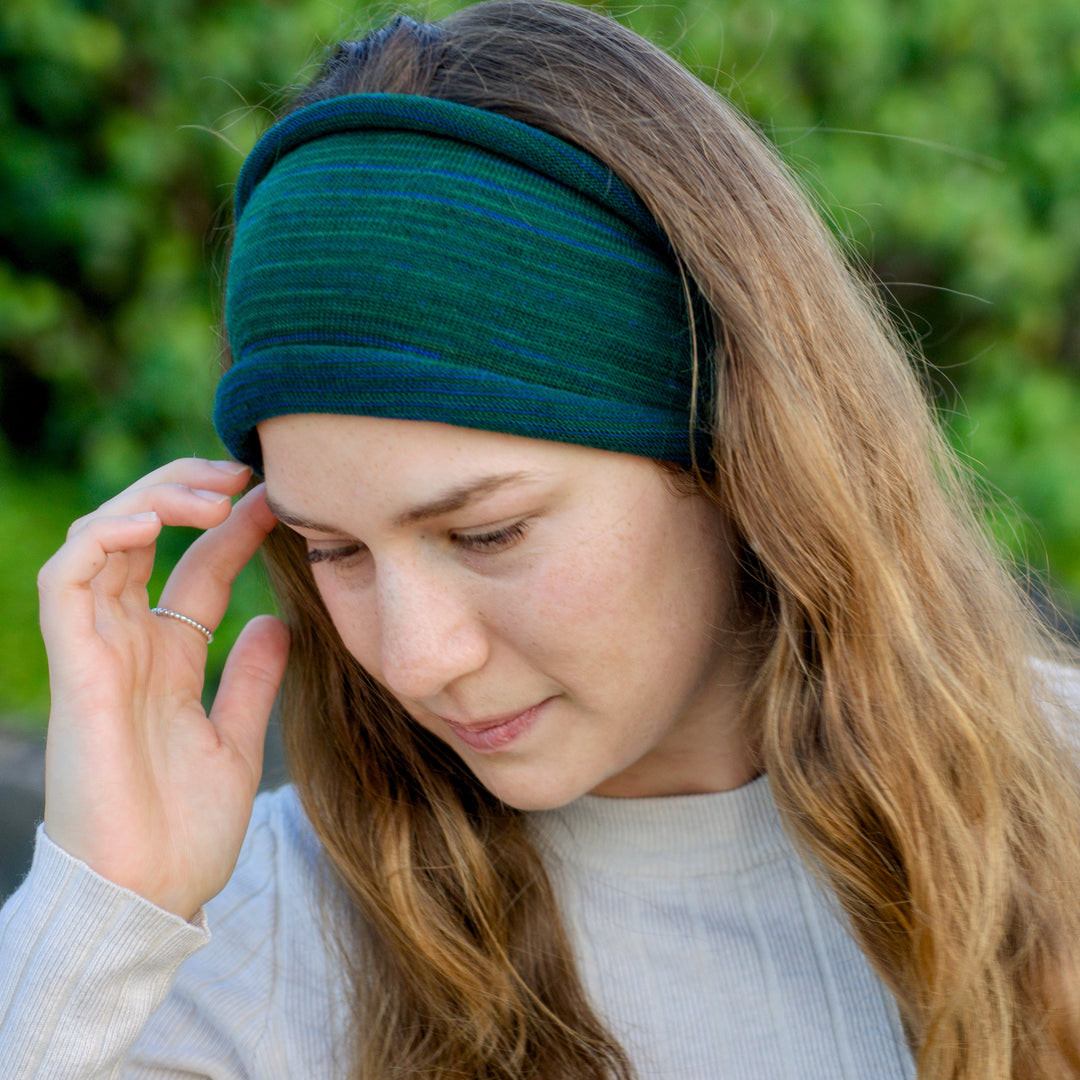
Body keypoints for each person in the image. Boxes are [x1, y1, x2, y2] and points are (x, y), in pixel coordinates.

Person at [3, 1, 1079, 1077]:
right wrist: (98, 915)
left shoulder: (1058, 804)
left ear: (733, 453)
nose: (416, 660)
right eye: (334, 551)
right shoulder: (241, 948)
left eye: (489, 532)